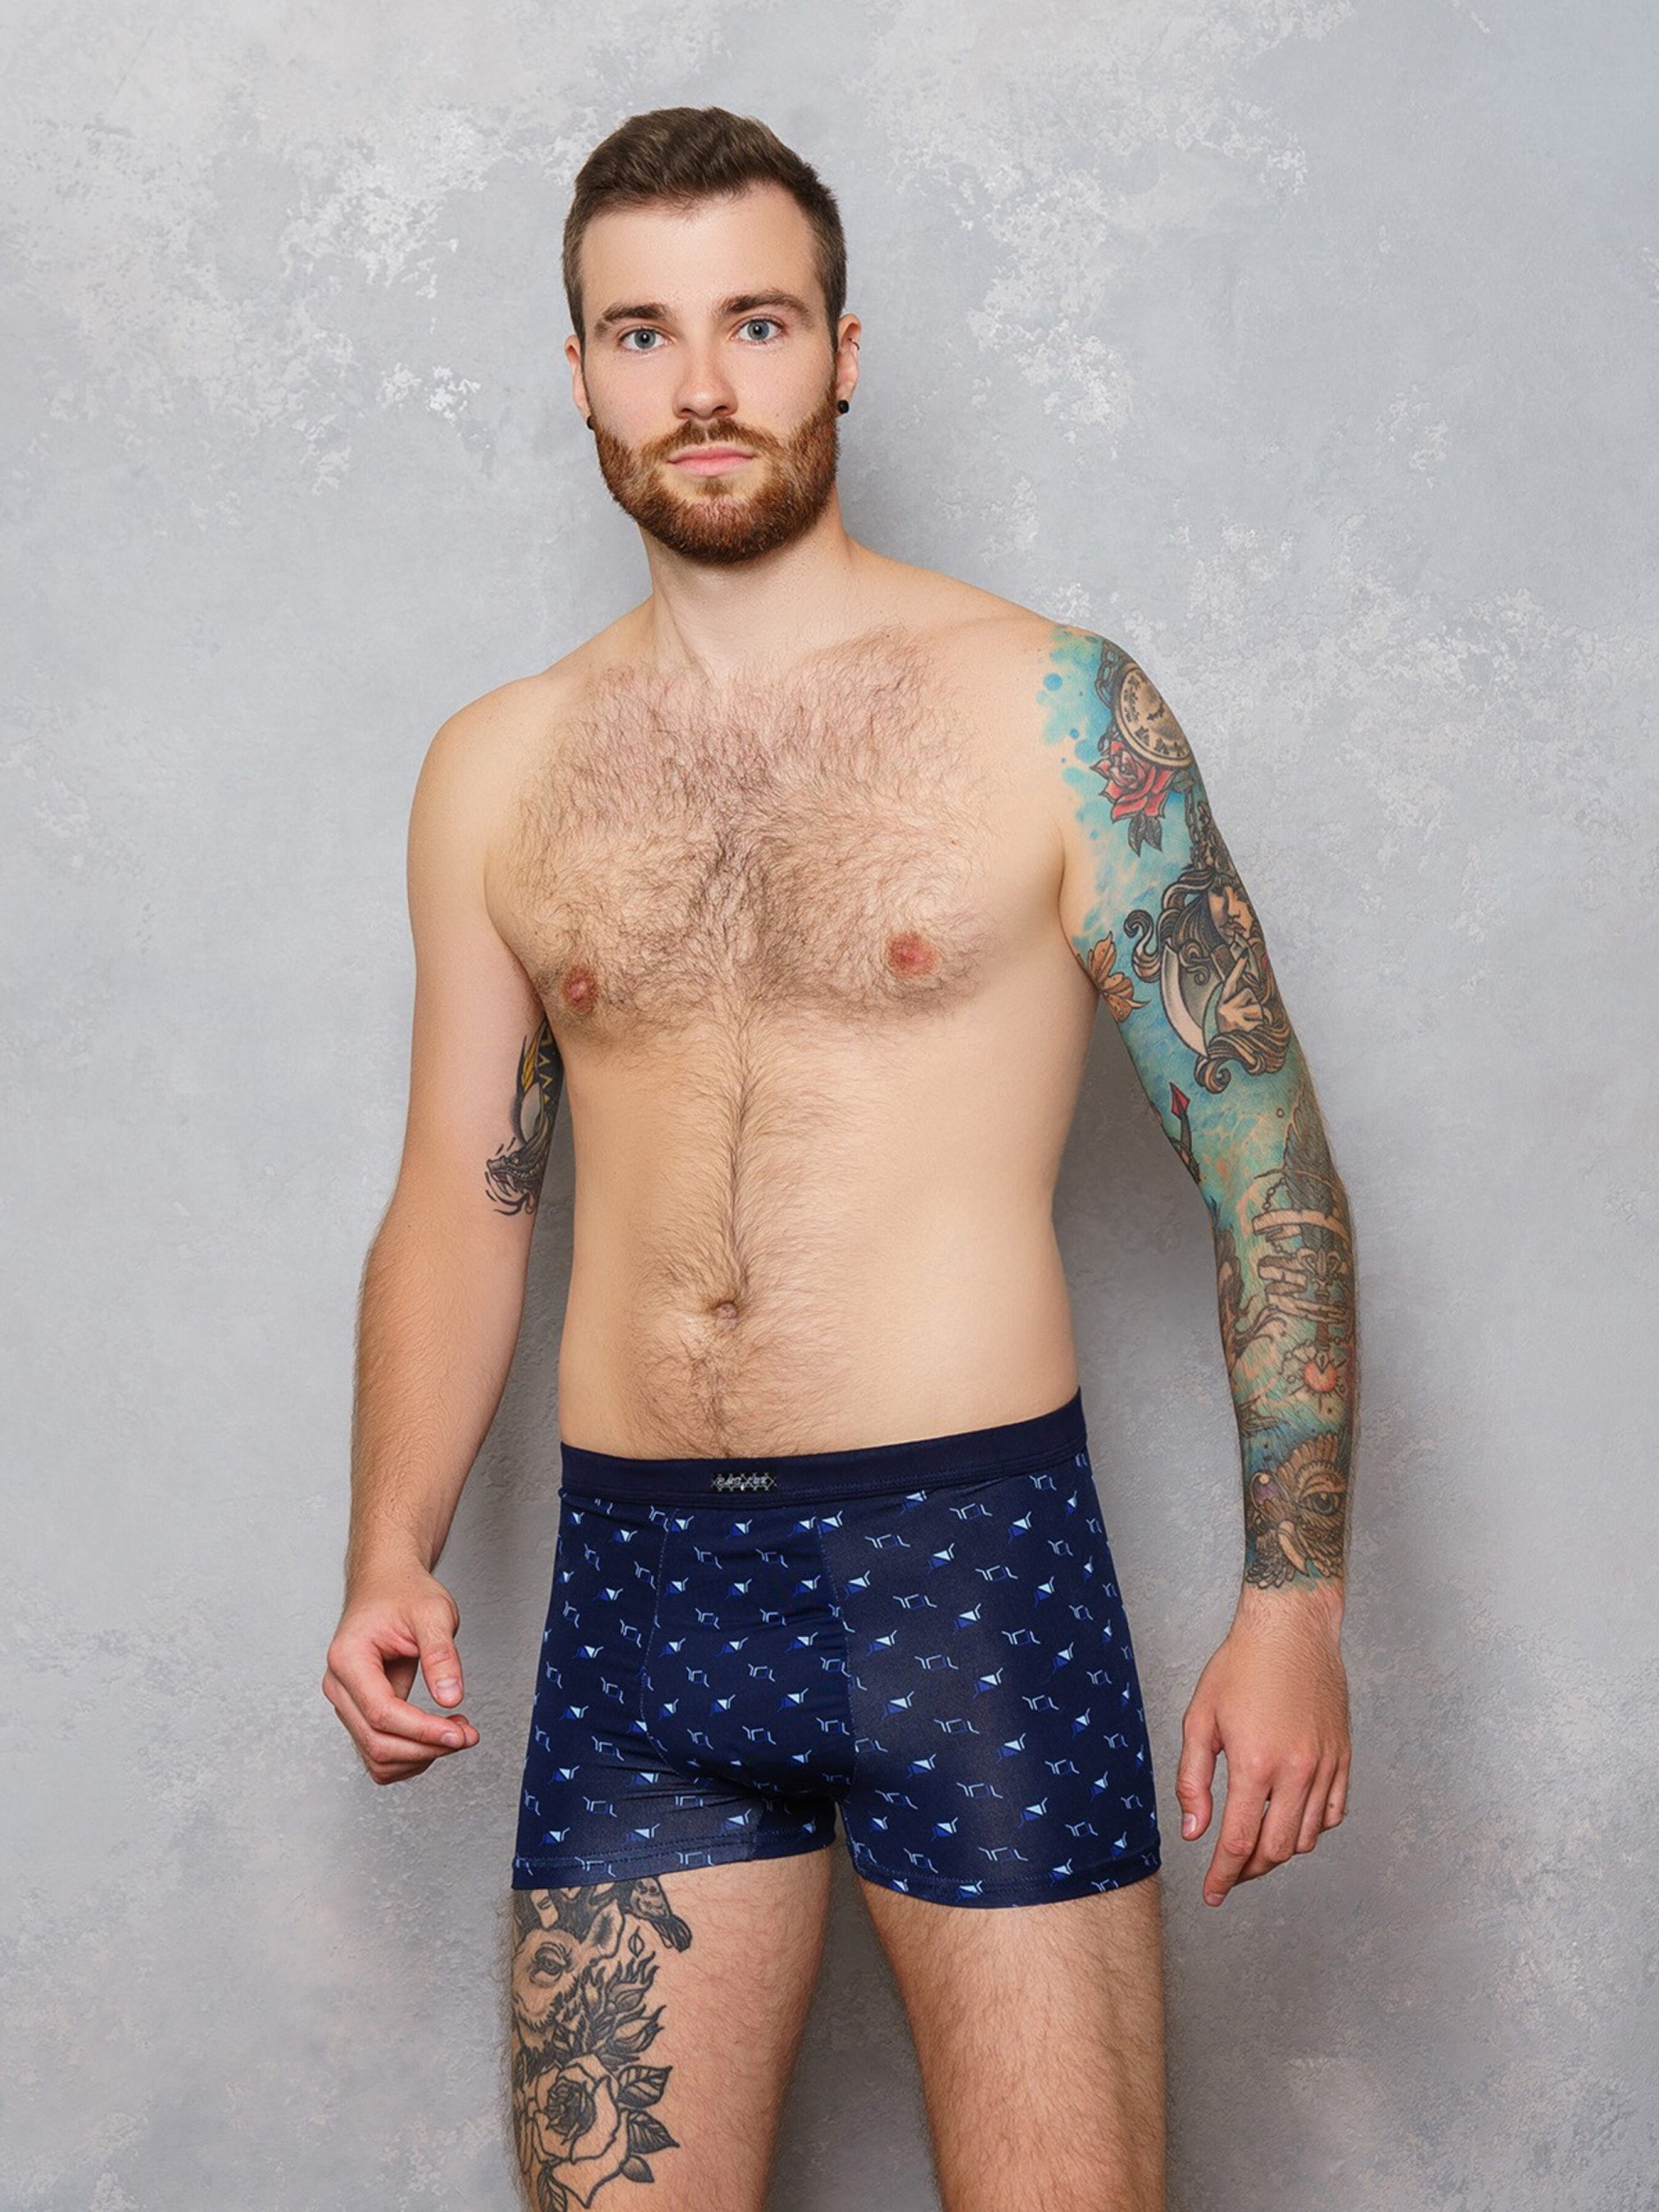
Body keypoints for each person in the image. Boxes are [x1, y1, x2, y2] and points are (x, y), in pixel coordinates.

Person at [320, 104, 1357, 2212]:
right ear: (580, 375)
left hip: (967, 1573)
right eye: (642, 334)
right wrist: (390, 1543)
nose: (701, 385)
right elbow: (459, 1193)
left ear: (843, 351)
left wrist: (1294, 1603)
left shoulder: (1053, 711)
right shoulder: (495, 768)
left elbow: (1264, 1163)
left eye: (757, 322)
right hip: (640, 1600)